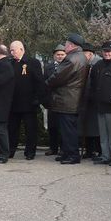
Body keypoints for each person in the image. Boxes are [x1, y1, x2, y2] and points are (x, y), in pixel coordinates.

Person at [45, 34, 90, 165]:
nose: (64, 46)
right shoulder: (82, 57)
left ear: (71, 45)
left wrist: (47, 83)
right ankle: (67, 153)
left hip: (67, 99)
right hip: (73, 98)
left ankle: (72, 155)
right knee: (69, 128)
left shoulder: (71, 59)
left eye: (66, 44)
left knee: (68, 130)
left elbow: (58, 76)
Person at [8, 40, 45, 160]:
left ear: (21, 49)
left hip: (29, 103)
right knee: (12, 128)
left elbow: (39, 82)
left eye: (13, 50)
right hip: (14, 103)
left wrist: (37, 99)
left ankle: (30, 152)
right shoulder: (10, 63)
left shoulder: (32, 62)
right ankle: (10, 150)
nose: (11, 52)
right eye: (10, 50)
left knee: (30, 129)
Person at [78, 42, 101, 159]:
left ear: (90, 54)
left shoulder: (98, 64)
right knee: (87, 126)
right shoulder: (85, 64)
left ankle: (98, 150)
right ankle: (89, 150)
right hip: (85, 99)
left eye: (84, 54)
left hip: (95, 100)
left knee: (96, 127)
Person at [43, 44, 66, 156]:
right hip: (51, 101)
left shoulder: (68, 66)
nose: (60, 56)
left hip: (64, 100)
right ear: (54, 56)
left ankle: (63, 148)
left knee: (62, 126)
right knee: (52, 126)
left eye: (62, 54)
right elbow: (45, 83)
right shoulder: (48, 67)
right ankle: (53, 147)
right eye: (58, 54)